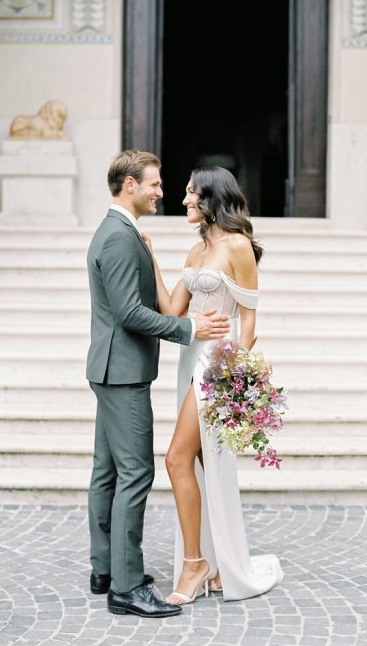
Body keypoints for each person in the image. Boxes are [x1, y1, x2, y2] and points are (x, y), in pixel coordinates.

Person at [85, 150, 231, 618]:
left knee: (107, 471)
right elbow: (129, 313)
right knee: (135, 474)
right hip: (122, 371)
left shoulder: (119, 233)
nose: (161, 191)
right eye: (153, 183)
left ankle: (105, 569)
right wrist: (189, 330)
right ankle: (126, 587)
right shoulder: (118, 238)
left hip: (112, 368)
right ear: (129, 185)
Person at [144, 166, 284, 605]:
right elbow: (170, 307)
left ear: (211, 198)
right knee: (198, 466)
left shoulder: (238, 246)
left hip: (215, 367)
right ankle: (219, 565)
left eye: (190, 194)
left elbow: (249, 323)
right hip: (188, 360)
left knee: (175, 459)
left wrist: (233, 382)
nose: (183, 200)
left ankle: (194, 564)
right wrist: (149, 256)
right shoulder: (194, 251)